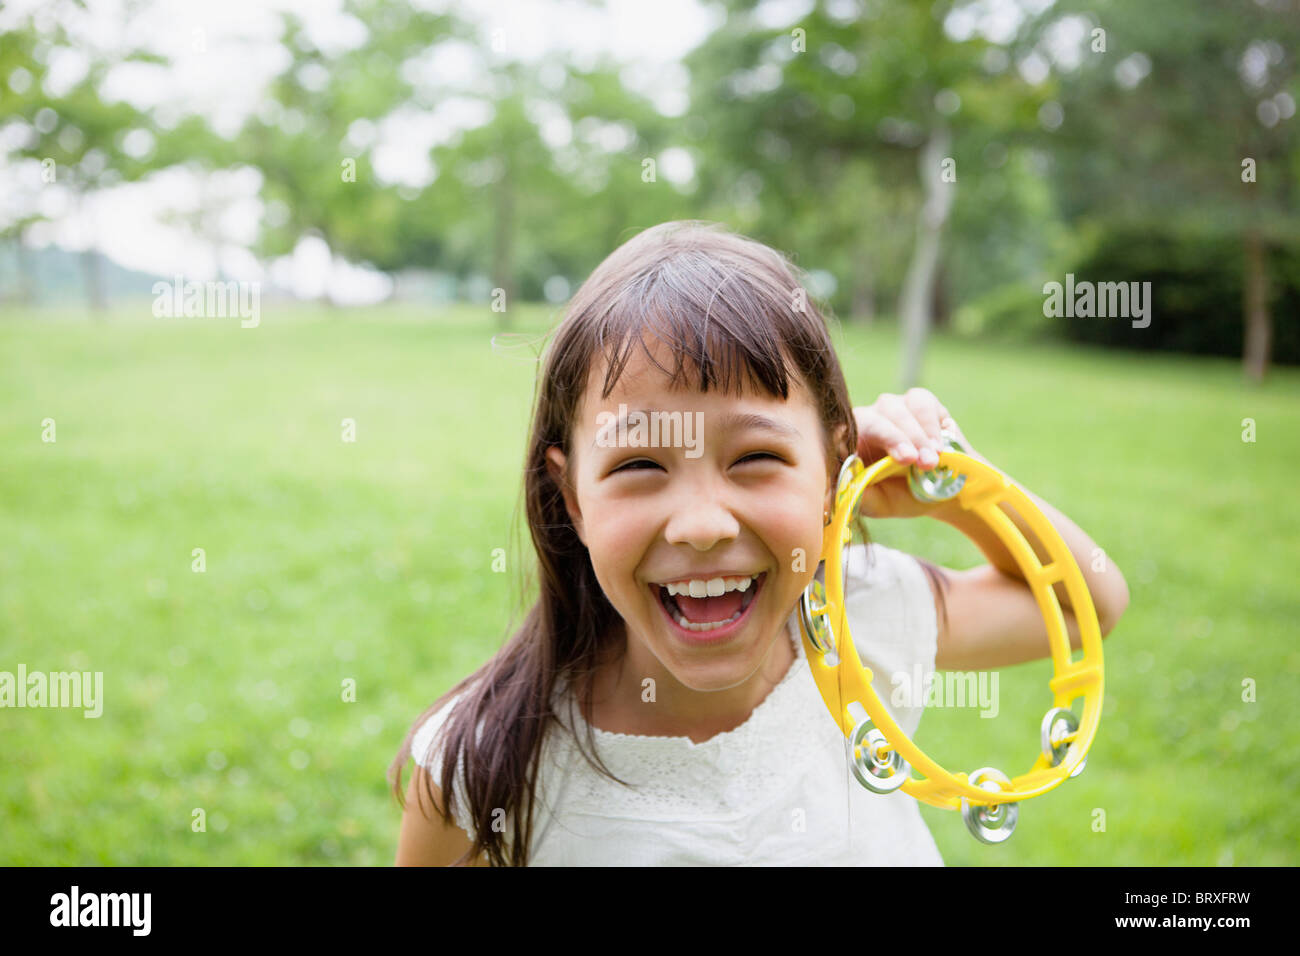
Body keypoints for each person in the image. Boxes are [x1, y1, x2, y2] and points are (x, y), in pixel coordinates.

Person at [390, 220, 1130, 866]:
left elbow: (1083, 607)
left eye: (757, 459)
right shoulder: (482, 764)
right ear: (571, 499)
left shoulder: (864, 618)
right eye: (640, 465)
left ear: (836, 464)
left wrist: (951, 487)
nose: (703, 524)